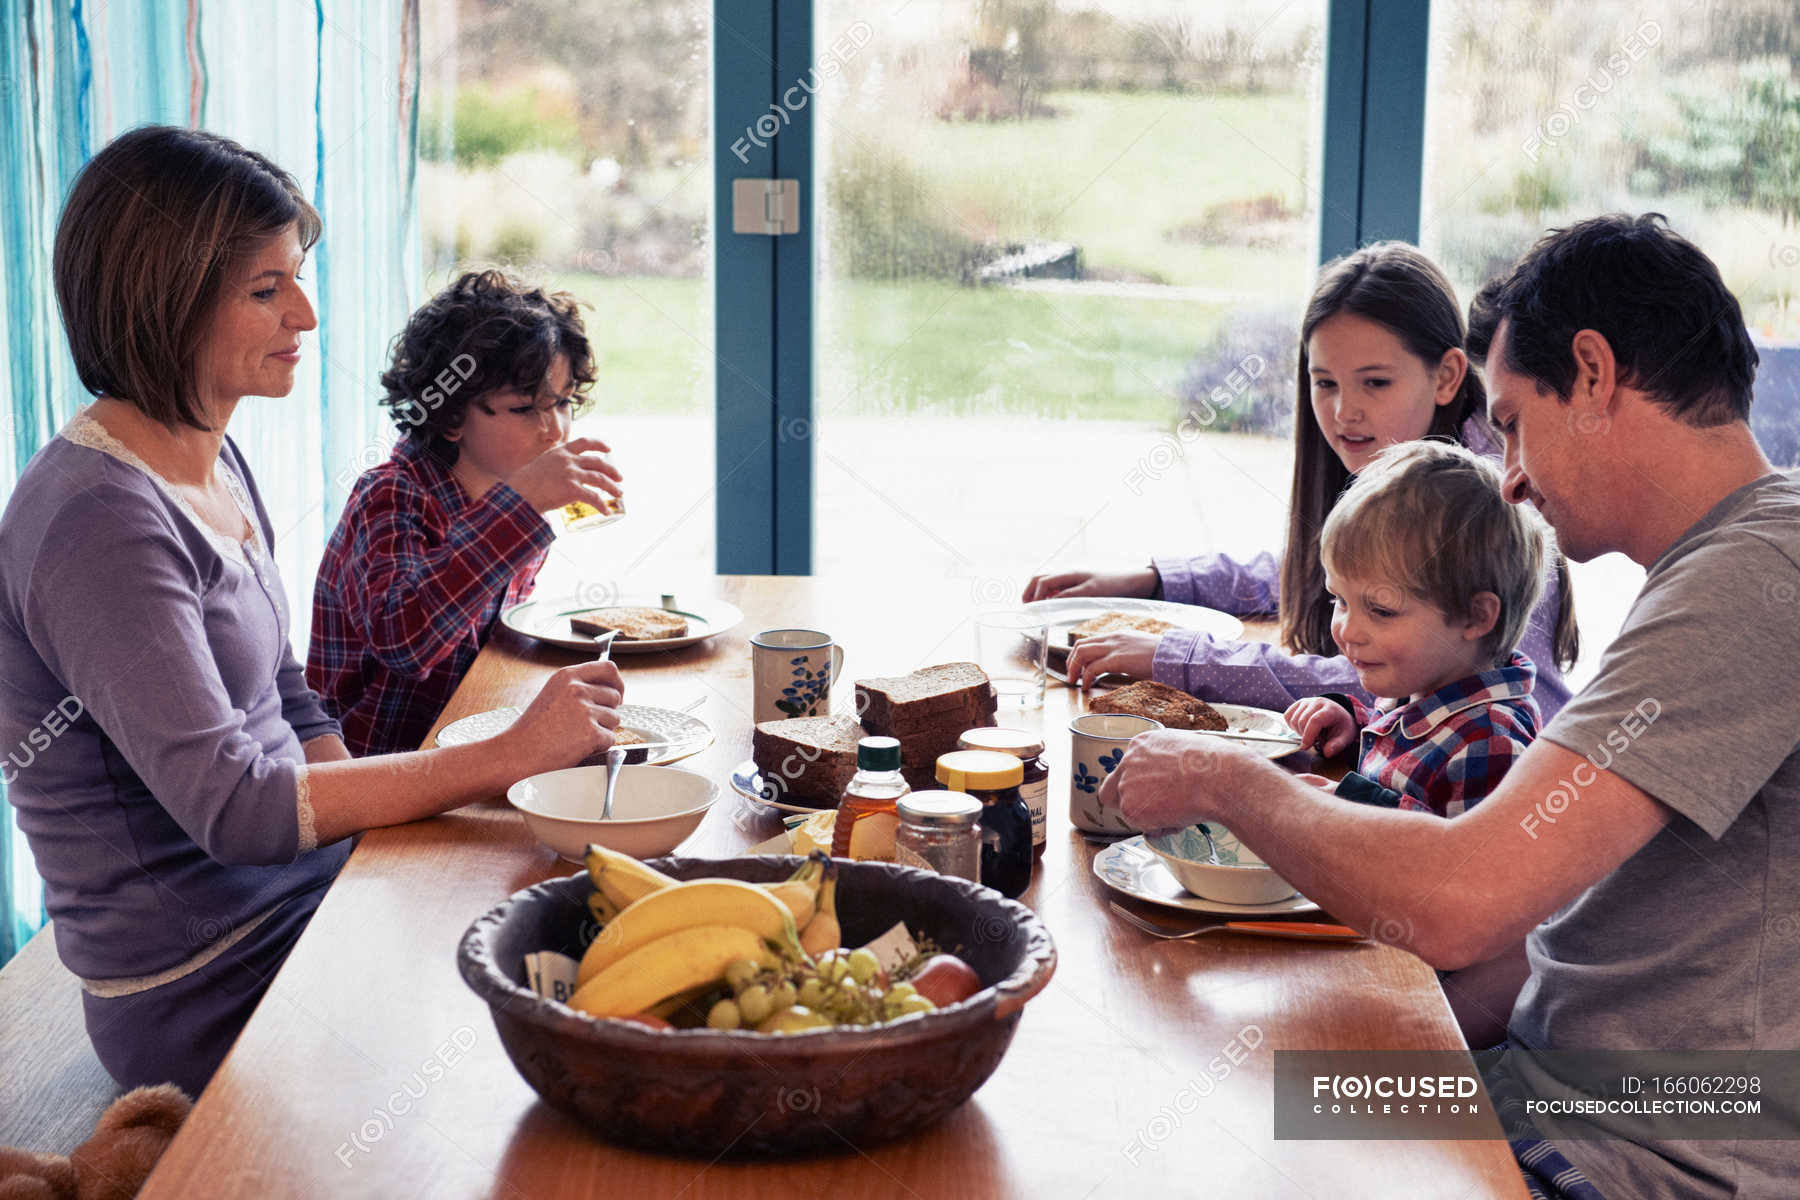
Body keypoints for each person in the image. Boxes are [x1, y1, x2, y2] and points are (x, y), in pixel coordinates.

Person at [1102, 213, 1797, 1198]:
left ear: (1593, 375)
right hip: (1550, 1078)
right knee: (1203, 1086)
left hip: (1638, 1144)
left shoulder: (1758, 574)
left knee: (1206, 1135)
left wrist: (1228, 781)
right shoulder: (1726, 562)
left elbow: (1462, 900)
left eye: (1511, 421)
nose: (1508, 474)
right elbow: (1550, 922)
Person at [0, 126, 625, 1096]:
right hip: (201, 979)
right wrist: (496, 760)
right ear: (166, 300)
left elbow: (287, 692)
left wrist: (391, 838)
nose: (306, 314)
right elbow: (241, 811)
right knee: (537, 1041)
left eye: (296, 278)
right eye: (266, 290)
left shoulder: (207, 449)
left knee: (582, 929)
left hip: (300, 897)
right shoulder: (99, 522)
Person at [1035, 243, 1578, 719]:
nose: (1344, 412)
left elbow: (1387, 669)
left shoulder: (1493, 503)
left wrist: (1185, 659)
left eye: (1375, 383)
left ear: (1446, 376)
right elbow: (1325, 574)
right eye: (1325, 383)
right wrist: (1153, 581)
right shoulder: (1406, 475)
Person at [308, 269, 622, 756]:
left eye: (562, 404)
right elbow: (405, 642)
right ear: (451, 416)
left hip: (468, 753)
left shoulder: (502, 501)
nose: (554, 431)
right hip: (381, 777)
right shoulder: (391, 496)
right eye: (524, 409)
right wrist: (519, 508)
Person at [1284, 439, 1546, 818]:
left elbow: (1468, 862)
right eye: (1339, 600)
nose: (1348, 630)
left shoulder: (1489, 743)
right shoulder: (1422, 685)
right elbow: (1405, 758)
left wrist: (1351, 805)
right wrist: (1353, 726)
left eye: (1381, 610)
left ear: (1474, 617)